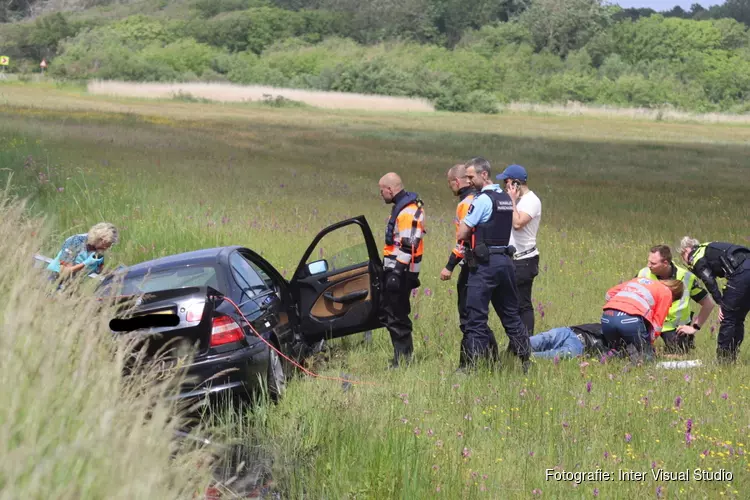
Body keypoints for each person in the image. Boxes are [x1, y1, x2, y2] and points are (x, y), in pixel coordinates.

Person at [456, 157, 531, 372]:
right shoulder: (506, 198)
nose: (469, 181)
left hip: (485, 265)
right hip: (505, 262)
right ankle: (526, 361)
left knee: (475, 318)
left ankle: (472, 367)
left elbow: (463, 232)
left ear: (484, 174)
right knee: (511, 316)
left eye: (471, 176)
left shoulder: (481, 200)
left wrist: (464, 222)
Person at [378, 172, 426, 368]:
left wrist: (396, 273)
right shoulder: (402, 209)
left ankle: (403, 360)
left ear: (390, 189)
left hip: (401, 273)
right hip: (397, 270)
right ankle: (401, 357)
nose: (381, 195)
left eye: (382, 191)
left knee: (397, 315)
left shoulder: (407, 212)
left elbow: (409, 245)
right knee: (394, 313)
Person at [678, 237, 750, 363]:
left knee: (728, 317)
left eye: (682, 257)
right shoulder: (707, 247)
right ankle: (731, 356)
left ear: (686, 250)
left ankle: (723, 361)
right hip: (745, 266)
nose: (687, 263)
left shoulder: (695, 256)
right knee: (738, 318)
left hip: (741, 272)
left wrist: (721, 304)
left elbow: (709, 280)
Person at [636, 244, 714, 354]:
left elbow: (708, 304)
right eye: (649, 261)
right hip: (648, 324)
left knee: (680, 354)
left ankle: (660, 354)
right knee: (636, 352)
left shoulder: (686, 277)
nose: (648, 265)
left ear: (665, 263)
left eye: (653, 263)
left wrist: (694, 327)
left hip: (675, 328)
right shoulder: (643, 273)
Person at [497, 164, 542, 335]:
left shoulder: (532, 201)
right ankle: (517, 342)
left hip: (524, 260)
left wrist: (511, 201)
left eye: (507, 182)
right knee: (510, 304)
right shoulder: (518, 200)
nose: (504, 186)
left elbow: (517, 223)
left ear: (515, 183)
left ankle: (525, 342)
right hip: (511, 257)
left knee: (522, 305)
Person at [440, 163, 477, 367]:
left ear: (456, 181)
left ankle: (467, 363)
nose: (450, 188)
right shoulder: (481, 198)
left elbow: (463, 240)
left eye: (450, 184)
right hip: (489, 263)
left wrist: (449, 266)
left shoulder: (465, 203)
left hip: (470, 266)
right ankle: (493, 358)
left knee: (468, 316)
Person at [601, 277, 684, 363]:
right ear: (674, 295)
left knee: (619, 350)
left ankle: (607, 359)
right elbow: (657, 325)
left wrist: (618, 308)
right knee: (646, 358)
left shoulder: (638, 280)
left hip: (607, 318)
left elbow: (609, 294)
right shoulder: (666, 292)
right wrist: (649, 345)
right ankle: (631, 368)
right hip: (630, 320)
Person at [47, 222, 119, 286]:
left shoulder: (99, 248)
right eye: (106, 244)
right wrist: (85, 263)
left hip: (72, 285)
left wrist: (117, 273)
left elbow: (99, 270)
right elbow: (63, 271)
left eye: (109, 245)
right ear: (99, 239)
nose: (106, 248)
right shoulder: (75, 242)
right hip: (54, 281)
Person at [530, 323, 610, 359]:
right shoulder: (607, 323)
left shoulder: (619, 345)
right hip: (569, 331)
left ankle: (524, 356)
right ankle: (519, 350)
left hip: (580, 346)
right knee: (534, 341)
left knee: (550, 355)